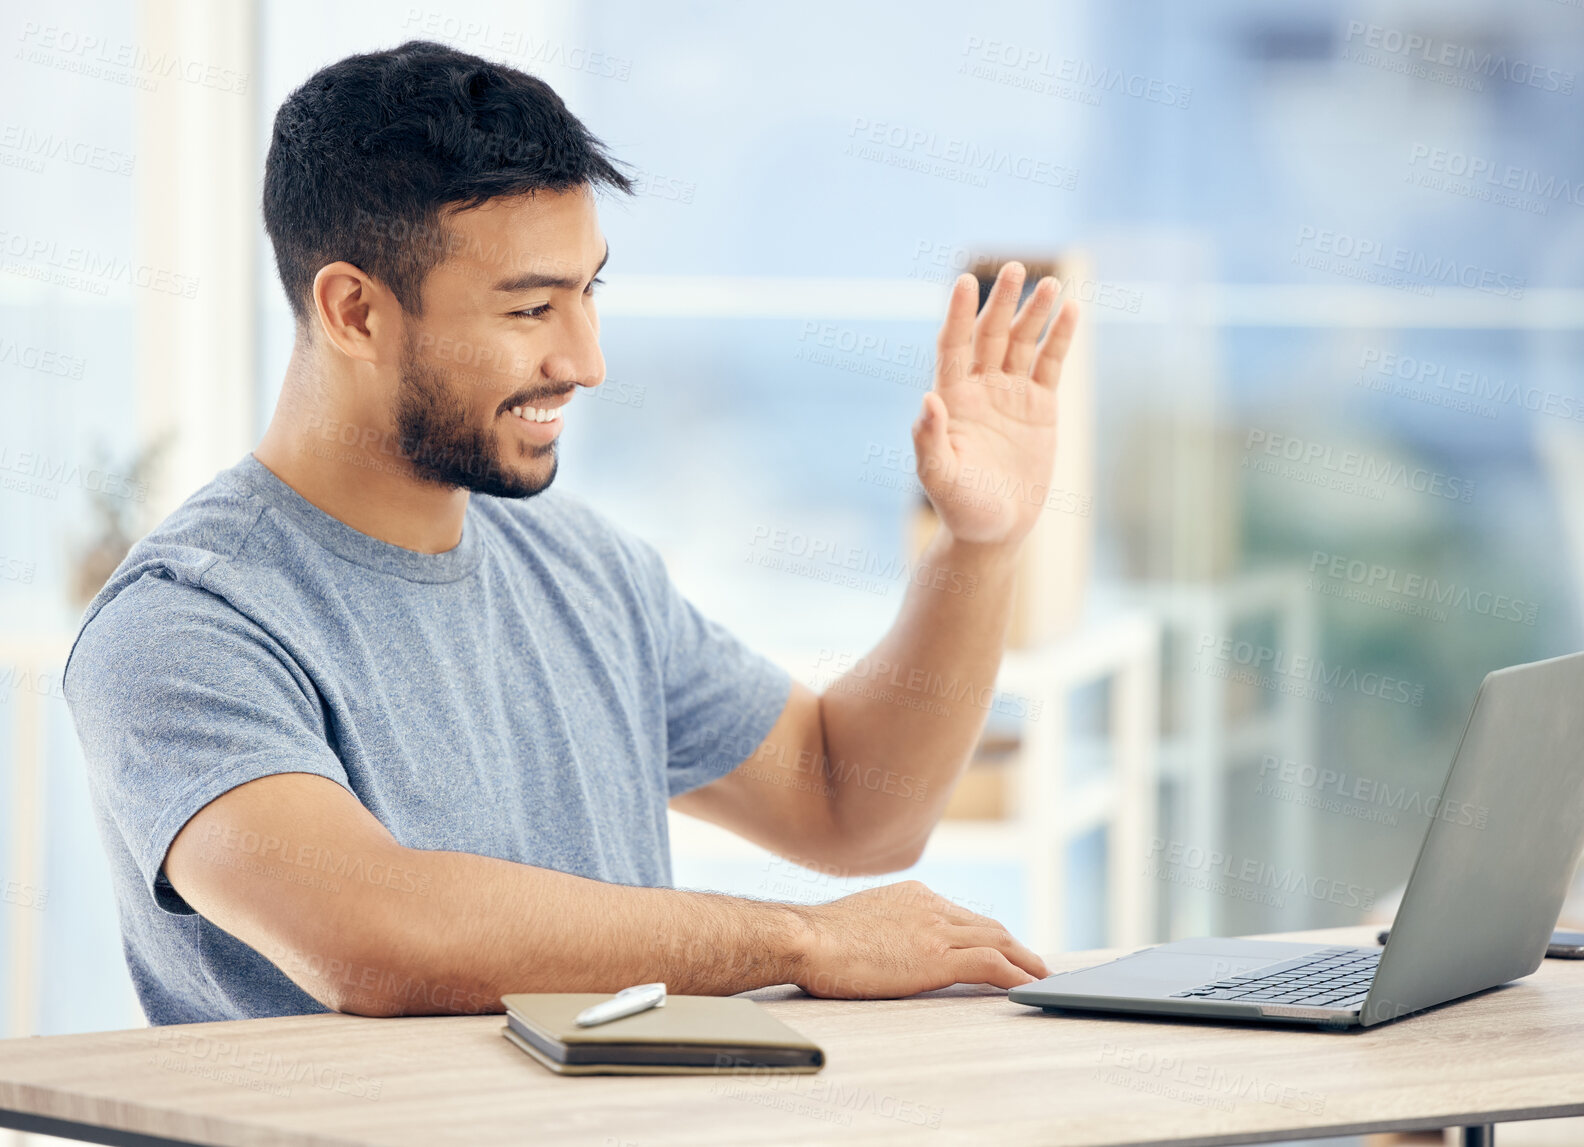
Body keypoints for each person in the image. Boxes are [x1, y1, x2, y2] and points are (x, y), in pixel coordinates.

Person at [62, 40, 1079, 1024]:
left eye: (588, 290)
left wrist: (976, 548)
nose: (586, 360)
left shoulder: (584, 566)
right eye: (531, 308)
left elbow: (855, 805)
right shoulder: (185, 624)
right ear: (355, 313)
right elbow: (371, 932)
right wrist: (801, 943)